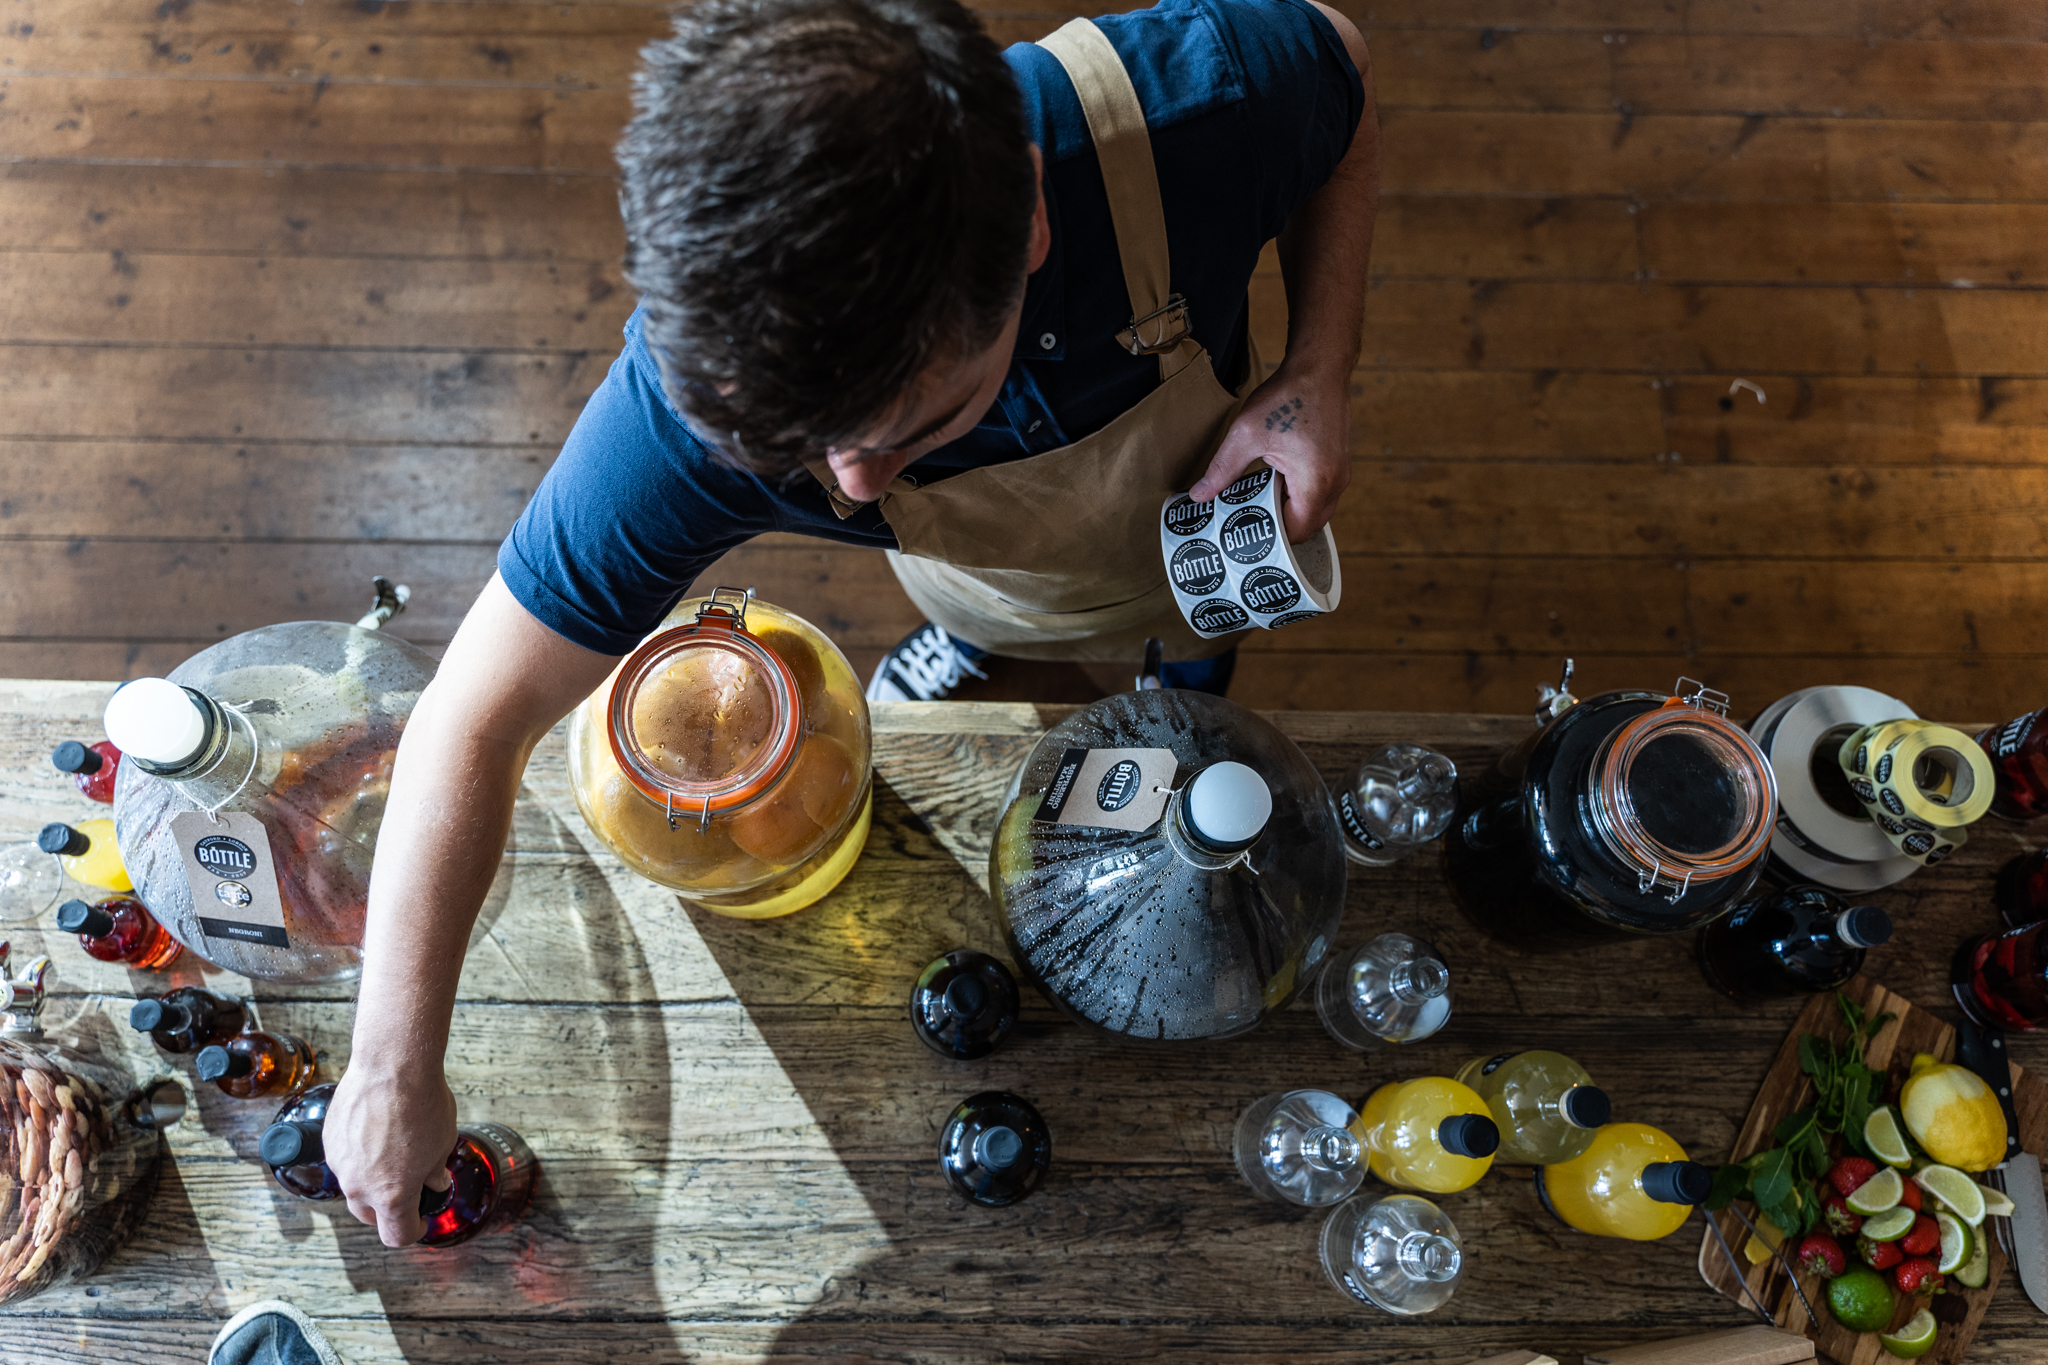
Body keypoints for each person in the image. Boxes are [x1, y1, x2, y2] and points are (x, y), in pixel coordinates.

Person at [324, 0, 1376, 1244]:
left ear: (1031, 222)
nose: (858, 486)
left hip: (1191, 530)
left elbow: (1344, 65)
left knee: (1190, 679)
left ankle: (1179, 677)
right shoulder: (684, 408)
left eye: (911, 430)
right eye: (801, 454)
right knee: (976, 601)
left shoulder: (1203, 101)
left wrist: (1317, 367)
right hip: (985, 574)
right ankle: (974, 641)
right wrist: (388, 1064)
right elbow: (469, 716)